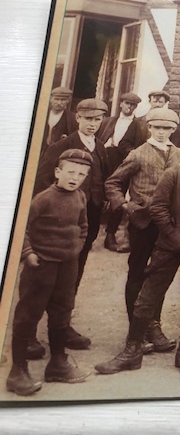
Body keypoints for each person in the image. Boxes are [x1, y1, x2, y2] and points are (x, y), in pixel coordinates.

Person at [95, 130, 180, 375]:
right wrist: (172, 233)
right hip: (170, 245)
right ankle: (131, 351)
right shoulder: (173, 174)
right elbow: (158, 208)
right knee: (150, 293)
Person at [7, 149, 93, 396]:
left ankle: (57, 363)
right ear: (58, 172)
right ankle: (18, 371)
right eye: (70, 172)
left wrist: (75, 248)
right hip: (41, 266)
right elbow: (20, 227)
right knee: (28, 314)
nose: (75, 178)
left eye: (81, 174)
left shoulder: (80, 197)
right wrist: (29, 253)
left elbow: (83, 226)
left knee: (62, 312)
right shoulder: (43, 199)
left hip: (67, 266)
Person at [104, 108, 180, 354]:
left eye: (167, 128)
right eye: (157, 128)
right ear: (149, 128)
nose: (162, 132)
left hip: (167, 224)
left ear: (174, 130)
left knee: (158, 275)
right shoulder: (138, 153)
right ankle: (135, 333)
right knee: (138, 272)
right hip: (142, 222)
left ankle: (154, 327)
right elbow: (113, 182)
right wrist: (126, 205)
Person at [35, 98, 111, 351]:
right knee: (45, 278)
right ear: (77, 118)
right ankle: (29, 334)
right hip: (60, 224)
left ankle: (62, 326)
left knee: (73, 275)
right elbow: (42, 183)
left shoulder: (100, 147)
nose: (93, 124)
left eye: (97, 120)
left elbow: (104, 179)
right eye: (88, 119)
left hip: (87, 223)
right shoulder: (61, 146)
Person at [97, 92, 143, 253]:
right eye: (127, 103)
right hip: (105, 160)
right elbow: (99, 139)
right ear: (121, 104)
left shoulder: (139, 124)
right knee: (98, 194)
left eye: (133, 105)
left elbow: (135, 146)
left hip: (123, 162)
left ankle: (110, 234)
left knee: (117, 197)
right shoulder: (109, 121)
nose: (129, 107)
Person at [42, 87, 77, 153]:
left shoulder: (72, 118)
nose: (59, 102)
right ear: (51, 99)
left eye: (63, 100)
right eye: (56, 99)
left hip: (59, 154)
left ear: (68, 101)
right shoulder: (41, 114)